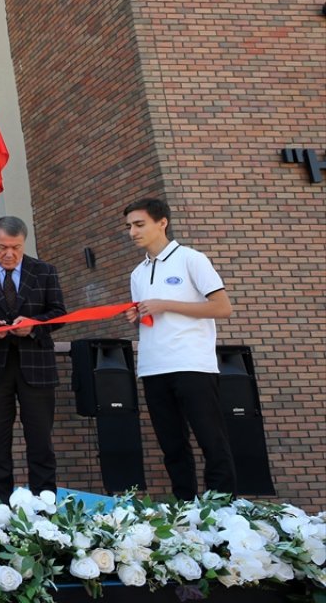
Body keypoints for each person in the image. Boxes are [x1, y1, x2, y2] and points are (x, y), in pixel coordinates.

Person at [123, 198, 236, 500]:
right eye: (129, 227)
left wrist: (164, 304)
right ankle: (184, 506)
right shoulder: (137, 273)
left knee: (211, 440)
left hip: (192, 365)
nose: (132, 232)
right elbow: (152, 320)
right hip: (153, 367)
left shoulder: (191, 259)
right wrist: (140, 316)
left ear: (162, 223)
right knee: (172, 445)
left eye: (139, 224)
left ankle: (222, 508)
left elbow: (222, 307)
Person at [0, 216, 67, 504]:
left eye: (15, 248)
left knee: (41, 442)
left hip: (37, 366)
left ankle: (45, 507)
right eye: (3, 247)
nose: (9, 254)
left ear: (24, 243)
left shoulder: (44, 271)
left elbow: (58, 313)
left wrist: (34, 323)